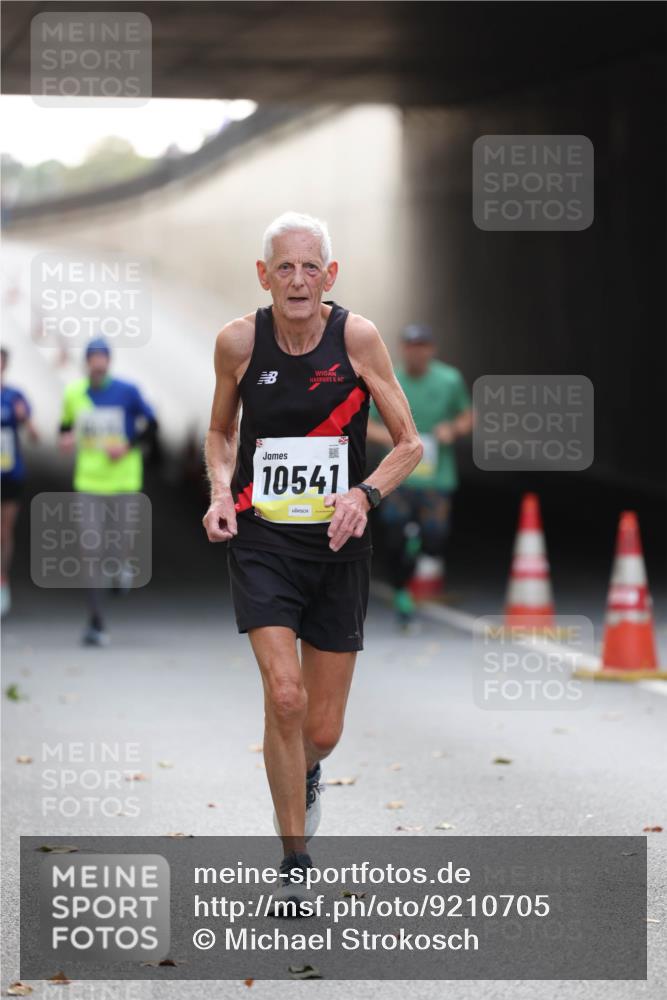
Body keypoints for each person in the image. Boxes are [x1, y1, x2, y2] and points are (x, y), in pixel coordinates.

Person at [202, 211, 422, 902]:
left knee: (321, 728)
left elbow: (409, 443)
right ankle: (294, 862)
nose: (297, 281)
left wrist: (365, 493)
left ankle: (303, 772)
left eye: (309, 268)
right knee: (285, 696)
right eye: (284, 268)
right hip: (263, 540)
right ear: (262, 275)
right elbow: (220, 430)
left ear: (330, 275)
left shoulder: (356, 338)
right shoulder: (239, 342)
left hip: (338, 545)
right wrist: (219, 493)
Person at [367, 324, 473, 627]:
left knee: (434, 538)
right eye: (411, 346)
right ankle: (401, 591)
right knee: (394, 537)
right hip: (397, 477)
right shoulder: (390, 380)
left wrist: (452, 430)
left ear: (432, 349)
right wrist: (392, 439)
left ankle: (416, 550)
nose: (417, 352)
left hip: (435, 479)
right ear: (403, 349)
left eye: (422, 346)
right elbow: (365, 424)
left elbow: (467, 416)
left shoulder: (449, 380)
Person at [58, 338, 157, 646]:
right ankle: (96, 622)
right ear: (87, 363)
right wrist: (66, 439)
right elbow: (64, 428)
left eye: (103, 359)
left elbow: (152, 424)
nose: (98, 364)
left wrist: (128, 446)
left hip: (124, 481)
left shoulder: (127, 391)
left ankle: (121, 566)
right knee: (90, 550)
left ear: (109, 362)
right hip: (88, 483)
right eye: (94, 359)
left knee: (120, 544)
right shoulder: (74, 393)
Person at [1, 347, 38, 616]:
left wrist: (24, 418)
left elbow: (36, 436)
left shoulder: (15, 397)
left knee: (4, 532)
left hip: (9, 474)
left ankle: (2, 581)